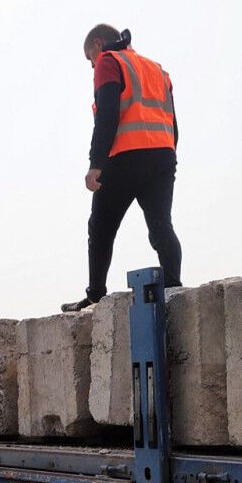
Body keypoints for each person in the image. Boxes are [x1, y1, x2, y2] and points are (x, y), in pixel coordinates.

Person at [62, 24, 184, 312]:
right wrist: (169, 156)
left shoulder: (108, 61)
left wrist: (96, 165)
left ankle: (95, 296)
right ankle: (174, 289)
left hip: (127, 156)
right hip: (162, 155)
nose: (91, 64)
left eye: (88, 57)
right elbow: (173, 121)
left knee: (101, 228)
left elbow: (107, 115)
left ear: (97, 44)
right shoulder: (157, 69)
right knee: (161, 225)